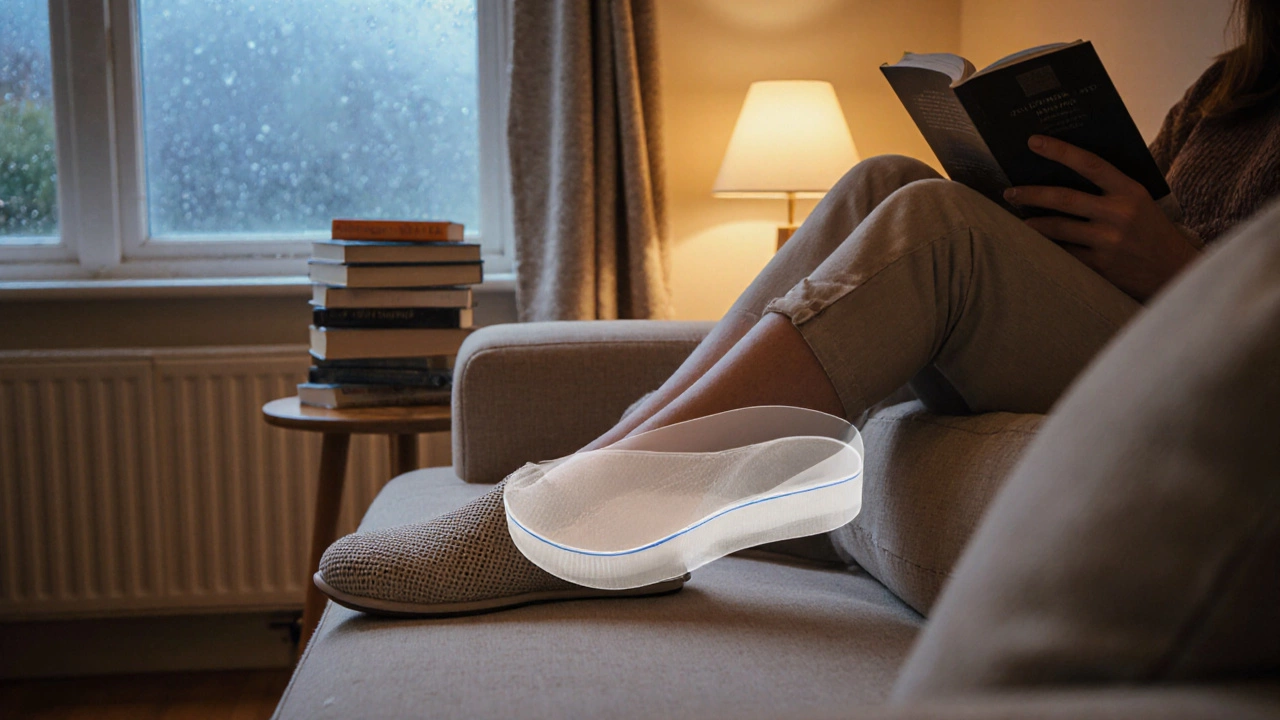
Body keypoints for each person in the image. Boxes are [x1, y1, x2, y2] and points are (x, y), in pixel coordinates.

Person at [314, 0, 1280, 617]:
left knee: (934, 230)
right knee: (884, 183)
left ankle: (586, 520)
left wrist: (1171, 262)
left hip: (1219, 385)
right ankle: (591, 476)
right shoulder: (1226, 91)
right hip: (1127, 344)